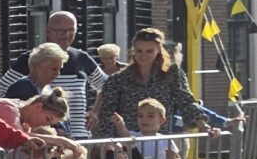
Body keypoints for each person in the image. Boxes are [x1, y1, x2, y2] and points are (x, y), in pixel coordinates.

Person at [97, 27, 234, 139]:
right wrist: (104, 145)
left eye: (149, 51)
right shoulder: (117, 79)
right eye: (139, 51)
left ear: (158, 51)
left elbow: (186, 101)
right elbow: (107, 114)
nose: (143, 55)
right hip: (127, 145)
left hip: (160, 142)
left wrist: (203, 125)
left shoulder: (172, 74)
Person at [0, 43, 88, 138]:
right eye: (54, 69)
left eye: (59, 69)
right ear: (38, 66)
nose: (58, 74)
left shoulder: (48, 90)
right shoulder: (23, 87)